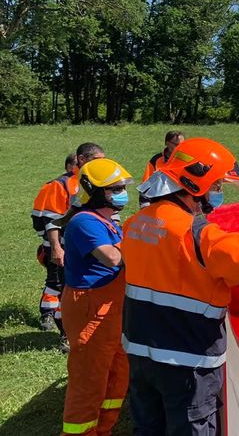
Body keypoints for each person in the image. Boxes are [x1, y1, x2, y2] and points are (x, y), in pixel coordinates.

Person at [123, 138, 239, 435]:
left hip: (140, 355)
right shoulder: (198, 234)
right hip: (189, 365)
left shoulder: (133, 225)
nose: (218, 193)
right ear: (195, 185)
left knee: (148, 428)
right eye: (217, 185)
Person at [60, 158, 133, 436]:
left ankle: (103, 429)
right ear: (97, 192)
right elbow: (113, 258)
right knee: (89, 378)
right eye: (115, 189)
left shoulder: (108, 221)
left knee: (117, 371)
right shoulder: (84, 222)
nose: (121, 193)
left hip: (110, 306)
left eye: (122, 187)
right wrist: (143, 238)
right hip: (90, 306)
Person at [37, 143, 106, 352]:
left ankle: (82, 332)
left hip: (94, 249)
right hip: (68, 249)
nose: (101, 164)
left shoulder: (99, 183)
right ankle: (66, 336)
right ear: (82, 160)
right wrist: (56, 248)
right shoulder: (61, 185)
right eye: (97, 160)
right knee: (66, 290)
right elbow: (51, 221)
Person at [31, 153, 77, 334]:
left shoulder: (83, 185)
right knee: (55, 281)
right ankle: (48, 313)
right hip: (54, 242)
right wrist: (49, 241)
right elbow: (41, 217)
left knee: (63, 282)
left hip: (71, 243)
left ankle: (57, 315)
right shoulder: (56, 186)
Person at [140, 131, 185, 207]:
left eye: (182, 144)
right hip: (159, 204)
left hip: (182, 204)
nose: (180, 147)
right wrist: (145, 205)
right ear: (167, 143)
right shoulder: (156, 160)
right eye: (177, 144)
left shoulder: (187, 160)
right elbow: (146, 185)